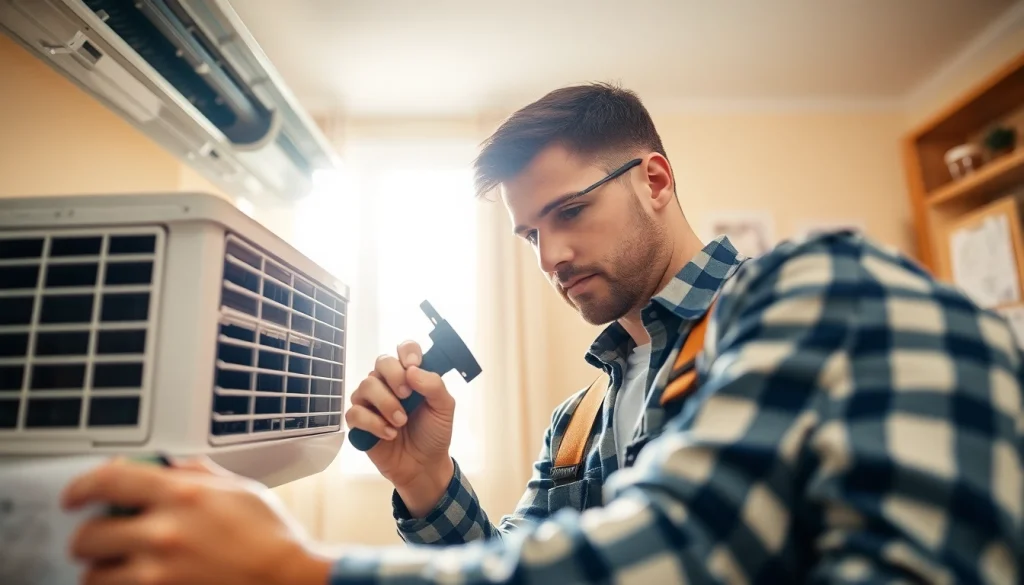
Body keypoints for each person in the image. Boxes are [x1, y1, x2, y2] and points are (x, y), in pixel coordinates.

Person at [62, 83, 1024, 585]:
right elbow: (522, 561)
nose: (549, 255)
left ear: (656, 177)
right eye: (529, 233)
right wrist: (426, 479)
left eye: (568, 211)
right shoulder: (582, 419)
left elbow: (687, 556)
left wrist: (297, 569)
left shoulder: (808, 290)